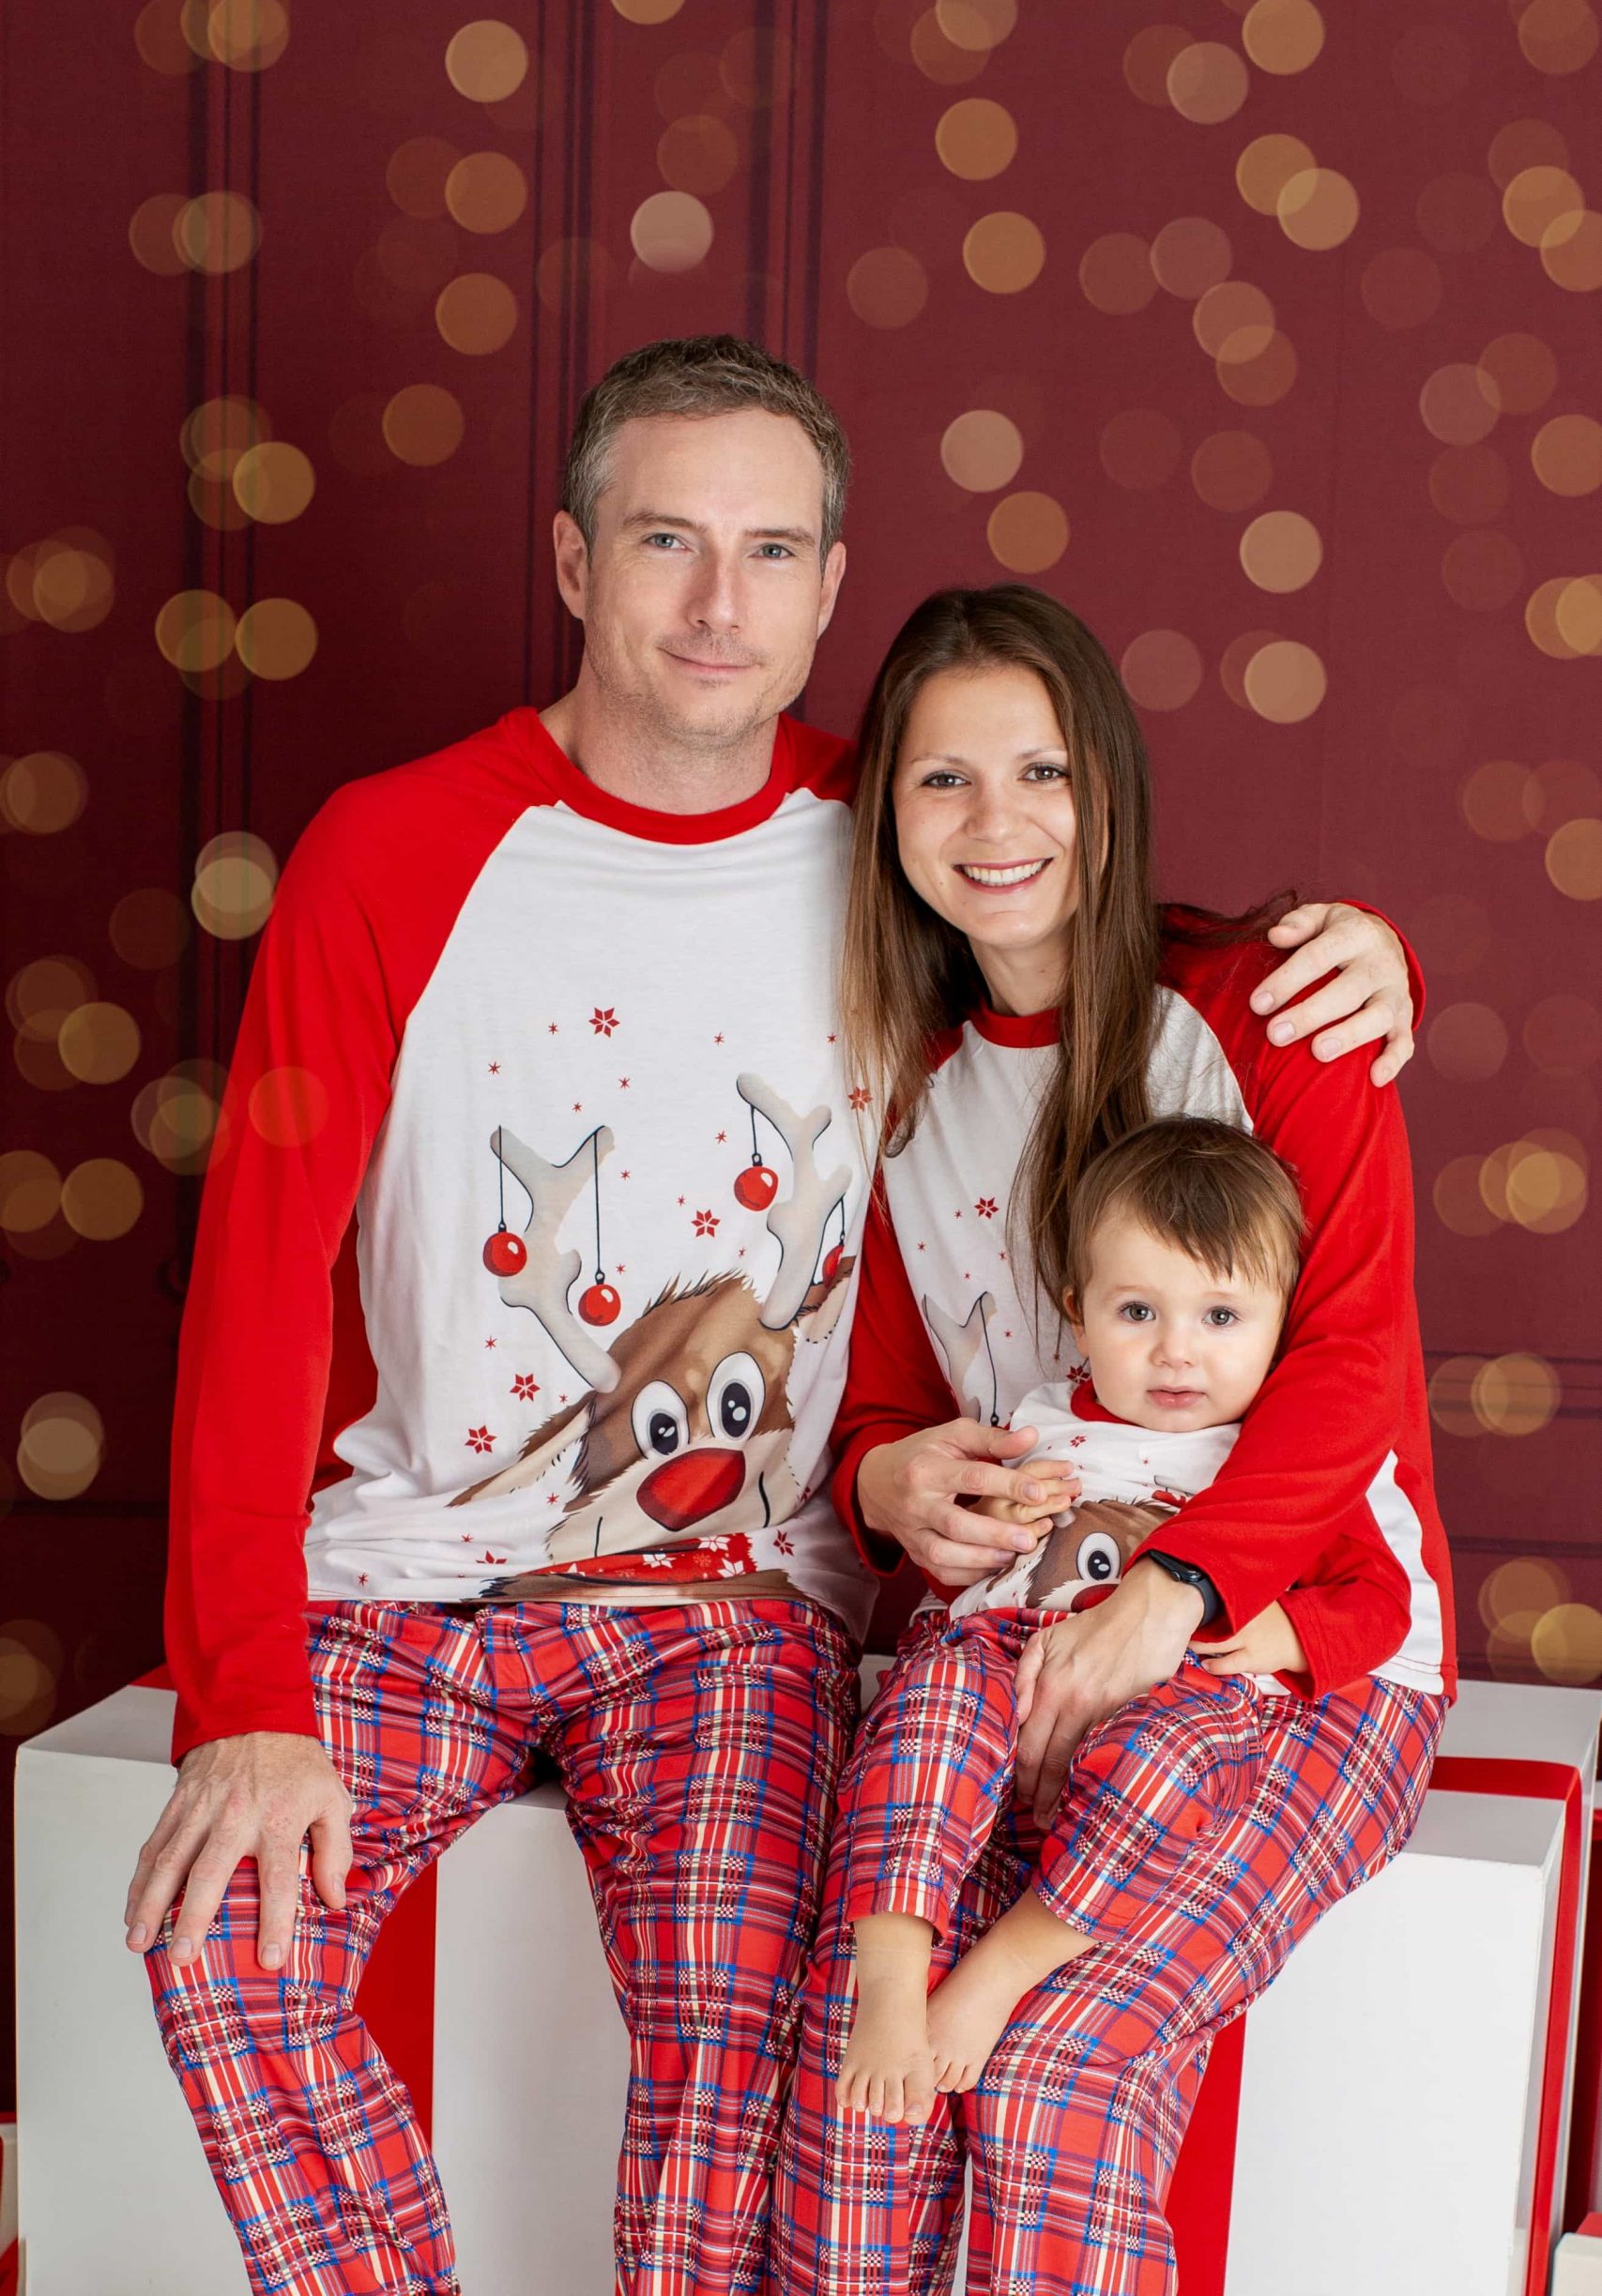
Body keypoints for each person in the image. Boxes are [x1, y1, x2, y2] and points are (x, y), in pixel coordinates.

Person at [120, 337, 1419, 2296]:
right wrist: (240, 1696)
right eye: (665, 541)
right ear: (571, 562)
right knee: (225, 1940)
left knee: (753, 2070)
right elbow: (255, 1293)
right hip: (401, 1578)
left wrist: (1345, 942)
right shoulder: (395, 851)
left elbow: (1089, 920)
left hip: (728, 1603)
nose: (719, 605)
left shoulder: (897, 841)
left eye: (770, 550)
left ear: (830, 587)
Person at [771, 584, 1455, 2296]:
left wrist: (1181, 1600)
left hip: (1294, 1675)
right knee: (858, 2088)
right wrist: (885, 1481)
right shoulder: (897, 1086)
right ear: (885, 821)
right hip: (1022, 1666)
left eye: (1043, 773)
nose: (996, 824)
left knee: (1052, 2073)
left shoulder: (1267, 1013)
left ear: (1108, 790)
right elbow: (872, 1411)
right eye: (940, 782)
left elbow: (1351, 1363)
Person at [835, 1115, 1415, 2125]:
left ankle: (1008, 1964)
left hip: (1175, 1702)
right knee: (921, 1706)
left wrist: (1279, 1636)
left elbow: (1379, 1603)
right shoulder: (1044, 1420)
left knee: (1163, 1759)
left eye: (1222, 1317)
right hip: (1012, 1669)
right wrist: (1003, 1515)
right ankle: (888, 1964)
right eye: (1138, 1310)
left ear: (1284, 1320)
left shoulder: (1278, 1454)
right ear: (1079, 1312)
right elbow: (967, 1549)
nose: (1176, 1352)